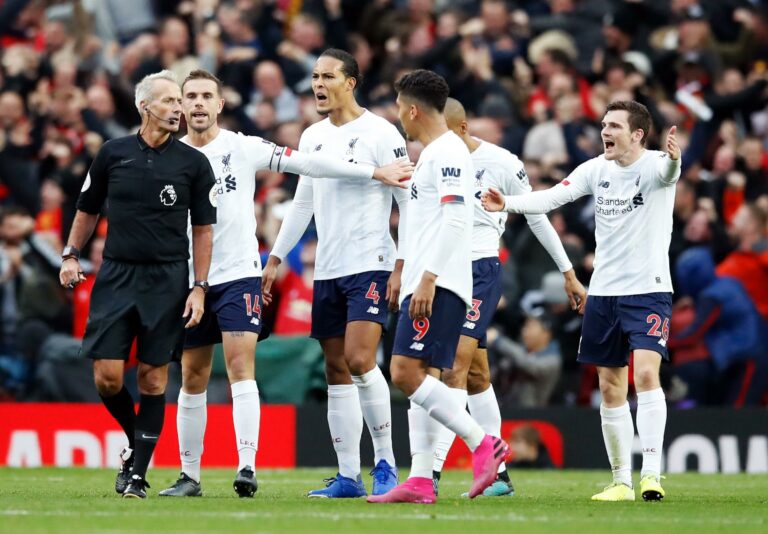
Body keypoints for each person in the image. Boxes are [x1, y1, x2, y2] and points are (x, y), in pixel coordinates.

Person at [158, 69, 412, 498]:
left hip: (240, 273)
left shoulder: (244, 146)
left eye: (207, 96)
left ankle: (248, 467)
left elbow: (307, 166)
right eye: (191, 97)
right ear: (180, 106)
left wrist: (374, 173)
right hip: (190, 279)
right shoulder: (169, 157)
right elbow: (305, 195)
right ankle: (190, 476)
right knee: (192, 373)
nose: (198, 104)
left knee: (245, 367)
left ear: (220, 105)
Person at [483, 100, 681, 502]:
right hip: (603, 292)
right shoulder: (596, 169)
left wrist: (676, 162)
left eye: (614, 126)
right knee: (610, 385)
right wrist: (509, 203)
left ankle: (652, 476)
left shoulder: (657, 164)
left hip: (648, 289)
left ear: (637, 134)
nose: (604, 131)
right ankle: (622, 481)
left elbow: (668, 173)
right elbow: (552, 198)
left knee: (645, 375)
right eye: (604, 124)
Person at [58, 70, 217, 499]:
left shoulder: (193, 164)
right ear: (145, 107)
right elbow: (88, 208)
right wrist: (71, 254)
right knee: (108, 378)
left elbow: (203, 229)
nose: (178, 109)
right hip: (117, 274)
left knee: (152, 379)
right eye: (169, 102)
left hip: (167, 279)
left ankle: (138, 475)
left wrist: (199, 286)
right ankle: (136, 442)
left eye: (179, 102)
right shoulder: (113, 154)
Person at [263, 49, 408, 498]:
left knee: (362, 359)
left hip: (371, 262)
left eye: (328, 76)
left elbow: (408, 203)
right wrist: (275, 257)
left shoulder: (382, 132)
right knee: (336, 369)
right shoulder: (311, 136)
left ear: (351, 82)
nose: (318, 84)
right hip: (328, 267)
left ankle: (385, 462)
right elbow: (303, 203)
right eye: (314, 76)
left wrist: (403, 263)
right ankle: (348, 474)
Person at [430, 97, 585, 498]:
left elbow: (537, 215)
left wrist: (568, 272)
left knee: (453, 367)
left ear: (462, 128)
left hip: (479, 270)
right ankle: (499, 475)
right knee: (478, 373)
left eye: (442, 132)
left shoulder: (503, 162)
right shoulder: (430, 158)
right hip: (441, 272)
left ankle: (428, 473)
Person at [367, 69, 509, 505]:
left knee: (405, 373)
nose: (399, 118)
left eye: (398, 109)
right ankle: (423, 479)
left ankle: (482, 444)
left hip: (440, 281)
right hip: (425, 278)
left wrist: (428, 278)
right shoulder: (434, 152)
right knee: (422, 377)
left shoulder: (447, 152)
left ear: (412, 109)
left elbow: (456, 218)